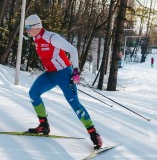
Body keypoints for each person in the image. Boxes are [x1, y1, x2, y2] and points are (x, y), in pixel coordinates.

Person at [24, 14, 103, 150]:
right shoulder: (36, 38)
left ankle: (93, 133)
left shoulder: (51, 37)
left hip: (64, 74)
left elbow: (72, 50)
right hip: (50, 74)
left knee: (74, 103)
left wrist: (76, 71)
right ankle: (44, 125)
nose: (26, 30)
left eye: (27, 27)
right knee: (33, 93)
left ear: (36, 26)